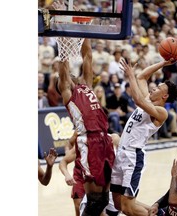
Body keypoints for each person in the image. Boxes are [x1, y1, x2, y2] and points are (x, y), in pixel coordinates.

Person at [110, 58, 177, 216]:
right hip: (122, 153)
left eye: (158, 88)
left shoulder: (161, 112)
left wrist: (129, 76)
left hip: (133, 157)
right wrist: (163, 63)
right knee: (118, 203)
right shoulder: (149, 100)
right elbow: (141, 77)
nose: (153, 88)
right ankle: (161, 214)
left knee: (128, 207)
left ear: (165, 96)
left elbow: (137, 99)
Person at [55, 36, 115, 216]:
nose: (73, 75)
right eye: (70, 76)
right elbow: (63, 67)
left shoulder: (87, 85)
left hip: (104, 137)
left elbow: (87, 56)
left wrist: (85, 30)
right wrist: (63, 37)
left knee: (105, 198)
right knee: (95, 199)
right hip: (88, 140)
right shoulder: (67, 91)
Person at [59, 133, 120, 216]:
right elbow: (64, 158)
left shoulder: (114, 138)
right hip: (81, 177)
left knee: (107, 208)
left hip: (105, 180)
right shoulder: (81, 137)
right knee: (83, 209)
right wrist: (67, 174)